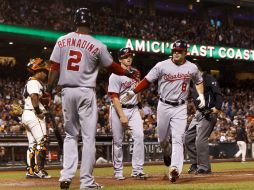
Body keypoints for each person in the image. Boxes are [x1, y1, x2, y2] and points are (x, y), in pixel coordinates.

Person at [47, 8, 140, 190]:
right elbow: (112, 66)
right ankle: (87, 182)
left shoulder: (62, 40)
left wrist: (48, 90)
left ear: (75, 21)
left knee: (70, 136)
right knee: (88, 138)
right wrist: (126, 71)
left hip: (66, 91)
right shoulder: (97, 44)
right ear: (90, 22)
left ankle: (65, 176)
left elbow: (54, 67)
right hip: (85, 91)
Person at [121, 40, 205, 182]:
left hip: (180, 107)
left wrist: (201, 94)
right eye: (174, 50)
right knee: (162, 140)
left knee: (178, 138)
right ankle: (166, 152)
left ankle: (175, 169)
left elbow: (199, 81)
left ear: (185, 53)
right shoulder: (162, 65)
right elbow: (147, 80)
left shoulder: (192, 67)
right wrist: (133, 92)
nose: (176, 53)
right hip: (163, 105)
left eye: (179, 51)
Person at [108, 48, 147, 180]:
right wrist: (122, 115)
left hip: (134, 108)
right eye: (125, 57)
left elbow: (138, 90)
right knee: (118, 141)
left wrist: (140, 106)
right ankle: (118, 171)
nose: (128, 58)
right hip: (118, 109)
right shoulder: (115, 75)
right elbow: (114, 97)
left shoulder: (136, 72)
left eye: (130, 56)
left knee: (139, 137)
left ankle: (137, 170)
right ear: (119, 59)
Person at [185, 68, 223, 174]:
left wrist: (218, 108)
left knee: (200, 139)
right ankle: (195, 163)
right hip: (198, 113)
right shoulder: (193, 82)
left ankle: (204, 167)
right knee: (187, 138)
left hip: (209, 112)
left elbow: (218, 94)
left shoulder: (209, 78)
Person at [21, 58, 51, 179]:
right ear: (37, 71)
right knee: (42, 141)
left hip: (27, 114)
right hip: (34, 115)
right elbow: (34, 96)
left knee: (32, 144)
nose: (45, 74)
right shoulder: (34, 82)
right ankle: (39, 170)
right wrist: (38, 111)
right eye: (43, 71)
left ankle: (31, 171)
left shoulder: (30, 82)